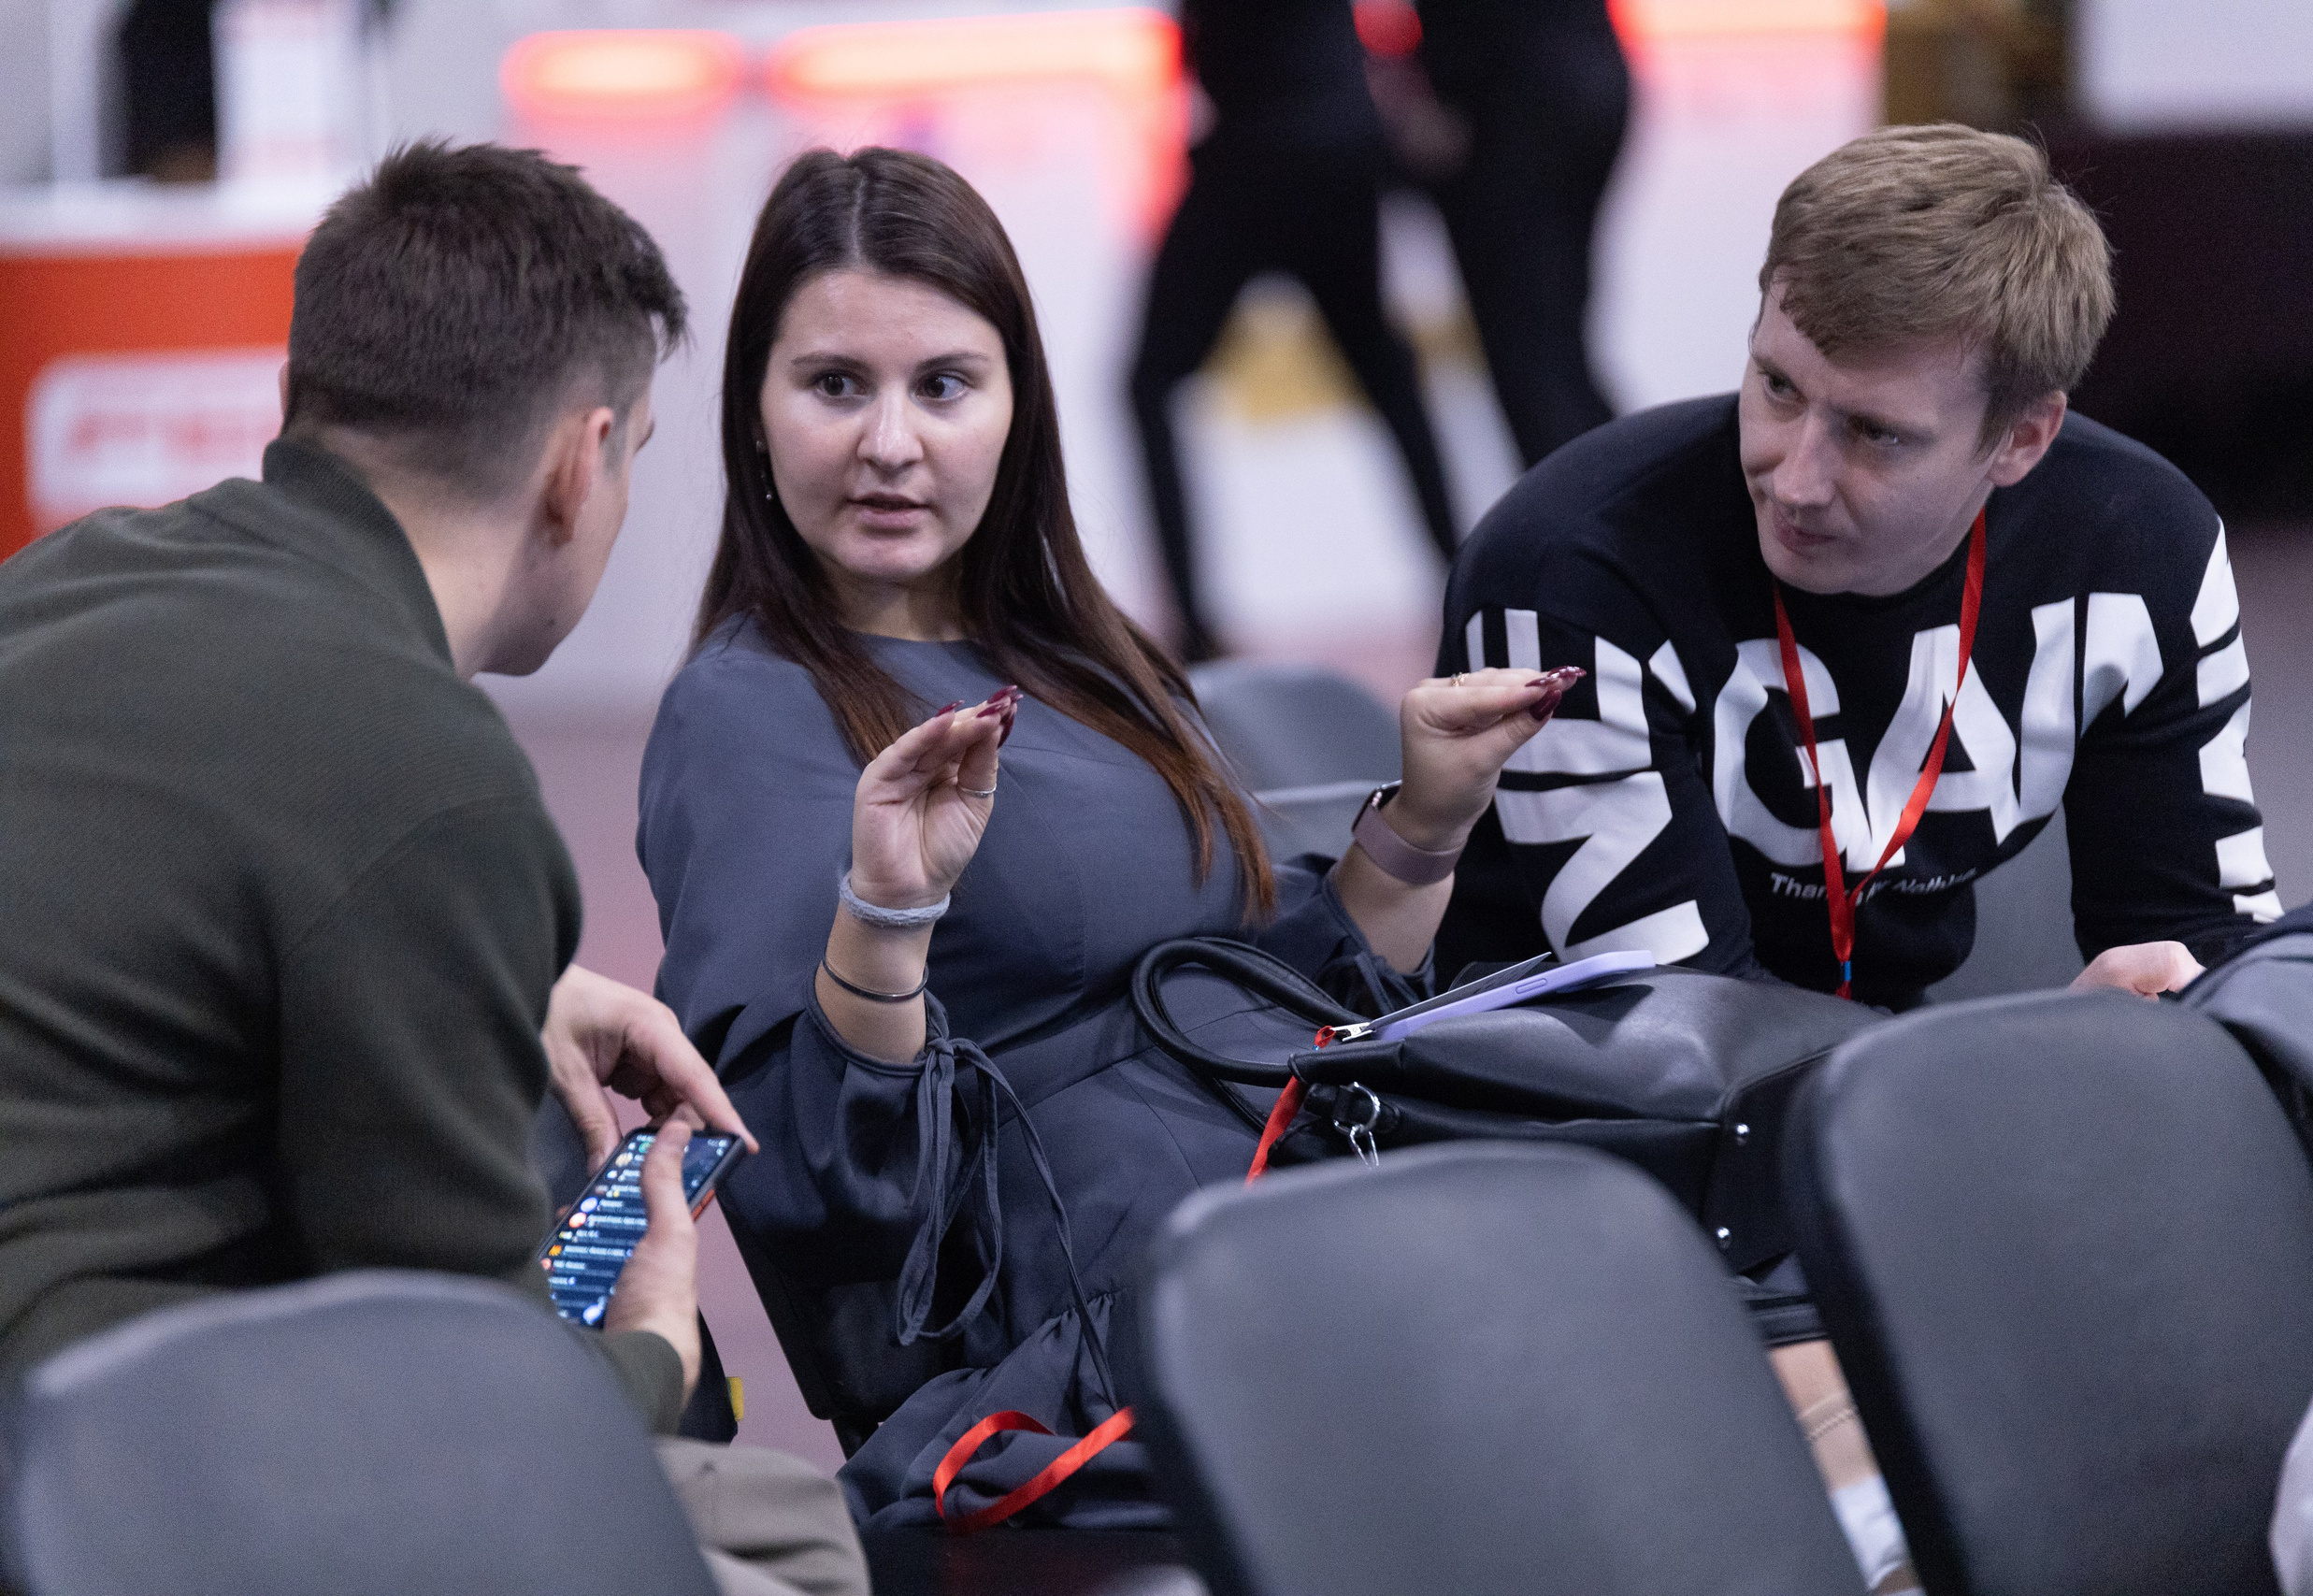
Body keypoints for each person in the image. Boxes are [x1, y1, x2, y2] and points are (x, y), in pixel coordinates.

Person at [639, 146, 1561, 1531]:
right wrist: (885, 917)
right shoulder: (752, 714)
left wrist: (1427, 814)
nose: (892, 441)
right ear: (755, 412)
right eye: (836, 384)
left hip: (1280, 1236)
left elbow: (1271, 1004)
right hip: (1088, 1361)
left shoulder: (1075, 652)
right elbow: (825, 1210)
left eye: (943, 384)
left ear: (1017, 408)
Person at [0, 141, 865, 1596]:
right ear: (577, 465)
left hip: (73, 1386)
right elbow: (469, 1417)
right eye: (638, 456)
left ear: (305, 400)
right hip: (96, 1473)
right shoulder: (428, 770)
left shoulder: (70, 576)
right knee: (790, 1539)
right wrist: (650, 1337)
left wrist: (496, 972)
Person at [1437, 123, 2280, 1013]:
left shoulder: (2142, 547)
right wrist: (2033, 1058)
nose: (1794, 481)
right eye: (1777, 387)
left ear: (2022, 438)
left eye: (1876, 433)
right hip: (1554, 1116)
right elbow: (1681, 1038)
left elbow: (2203, 953)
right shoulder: (1573, 568)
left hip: (1887, 1092)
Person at [1127, 0, 1460, 659]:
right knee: (1387, 377)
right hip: (1330, 139)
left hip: (1260, 149)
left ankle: (1195, 629)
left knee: (1150, 383)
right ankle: (1464, 575)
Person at [1405, 0, 1633, 467]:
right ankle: (1623, 513)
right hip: (1581, 75)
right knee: (1555, 353)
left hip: (1503, 108)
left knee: (1534, 363)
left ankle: (1587, 523)